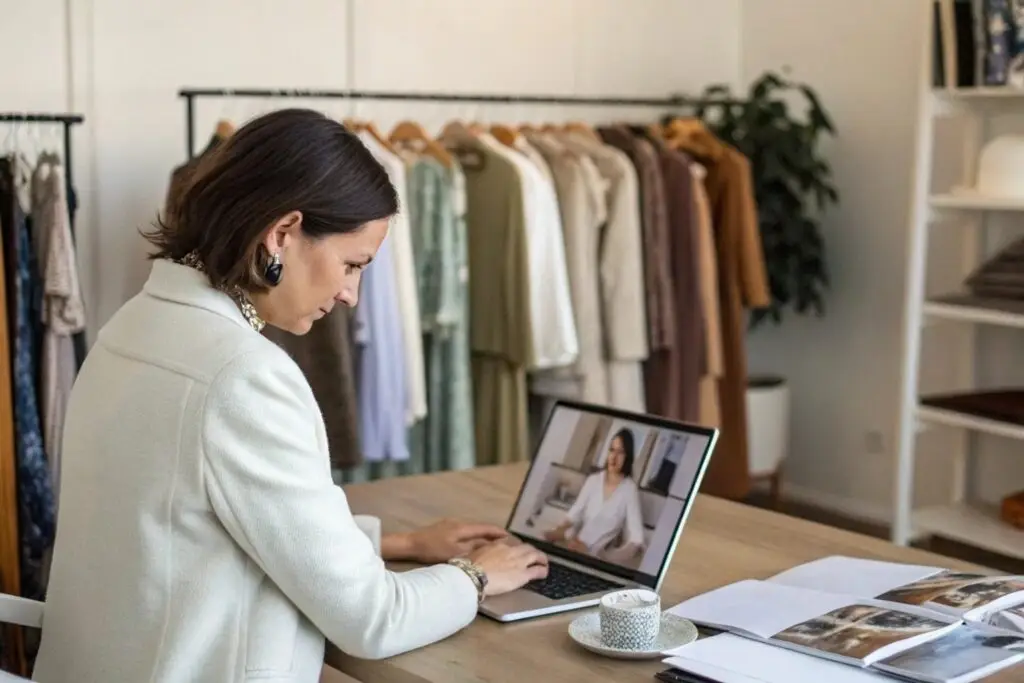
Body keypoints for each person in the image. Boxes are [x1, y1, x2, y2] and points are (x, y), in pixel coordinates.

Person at [33, 109, 548, 683]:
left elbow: (194, 525)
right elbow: (372, 620)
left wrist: (398, 542)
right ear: (282, 234)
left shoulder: (131, 327)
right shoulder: (242, 376)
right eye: (352, 265)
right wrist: (475, 575)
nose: (352, 295)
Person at [543, 428, 645, 561]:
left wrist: (607, 557)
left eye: (620, 452)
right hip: (574, 546)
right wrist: (557, 532)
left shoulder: (629, 490)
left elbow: (636, 541)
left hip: (595, 557)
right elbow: (574, 514)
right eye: (612, 450)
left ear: (628, 457)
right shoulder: (593, 480)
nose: (613, 457)